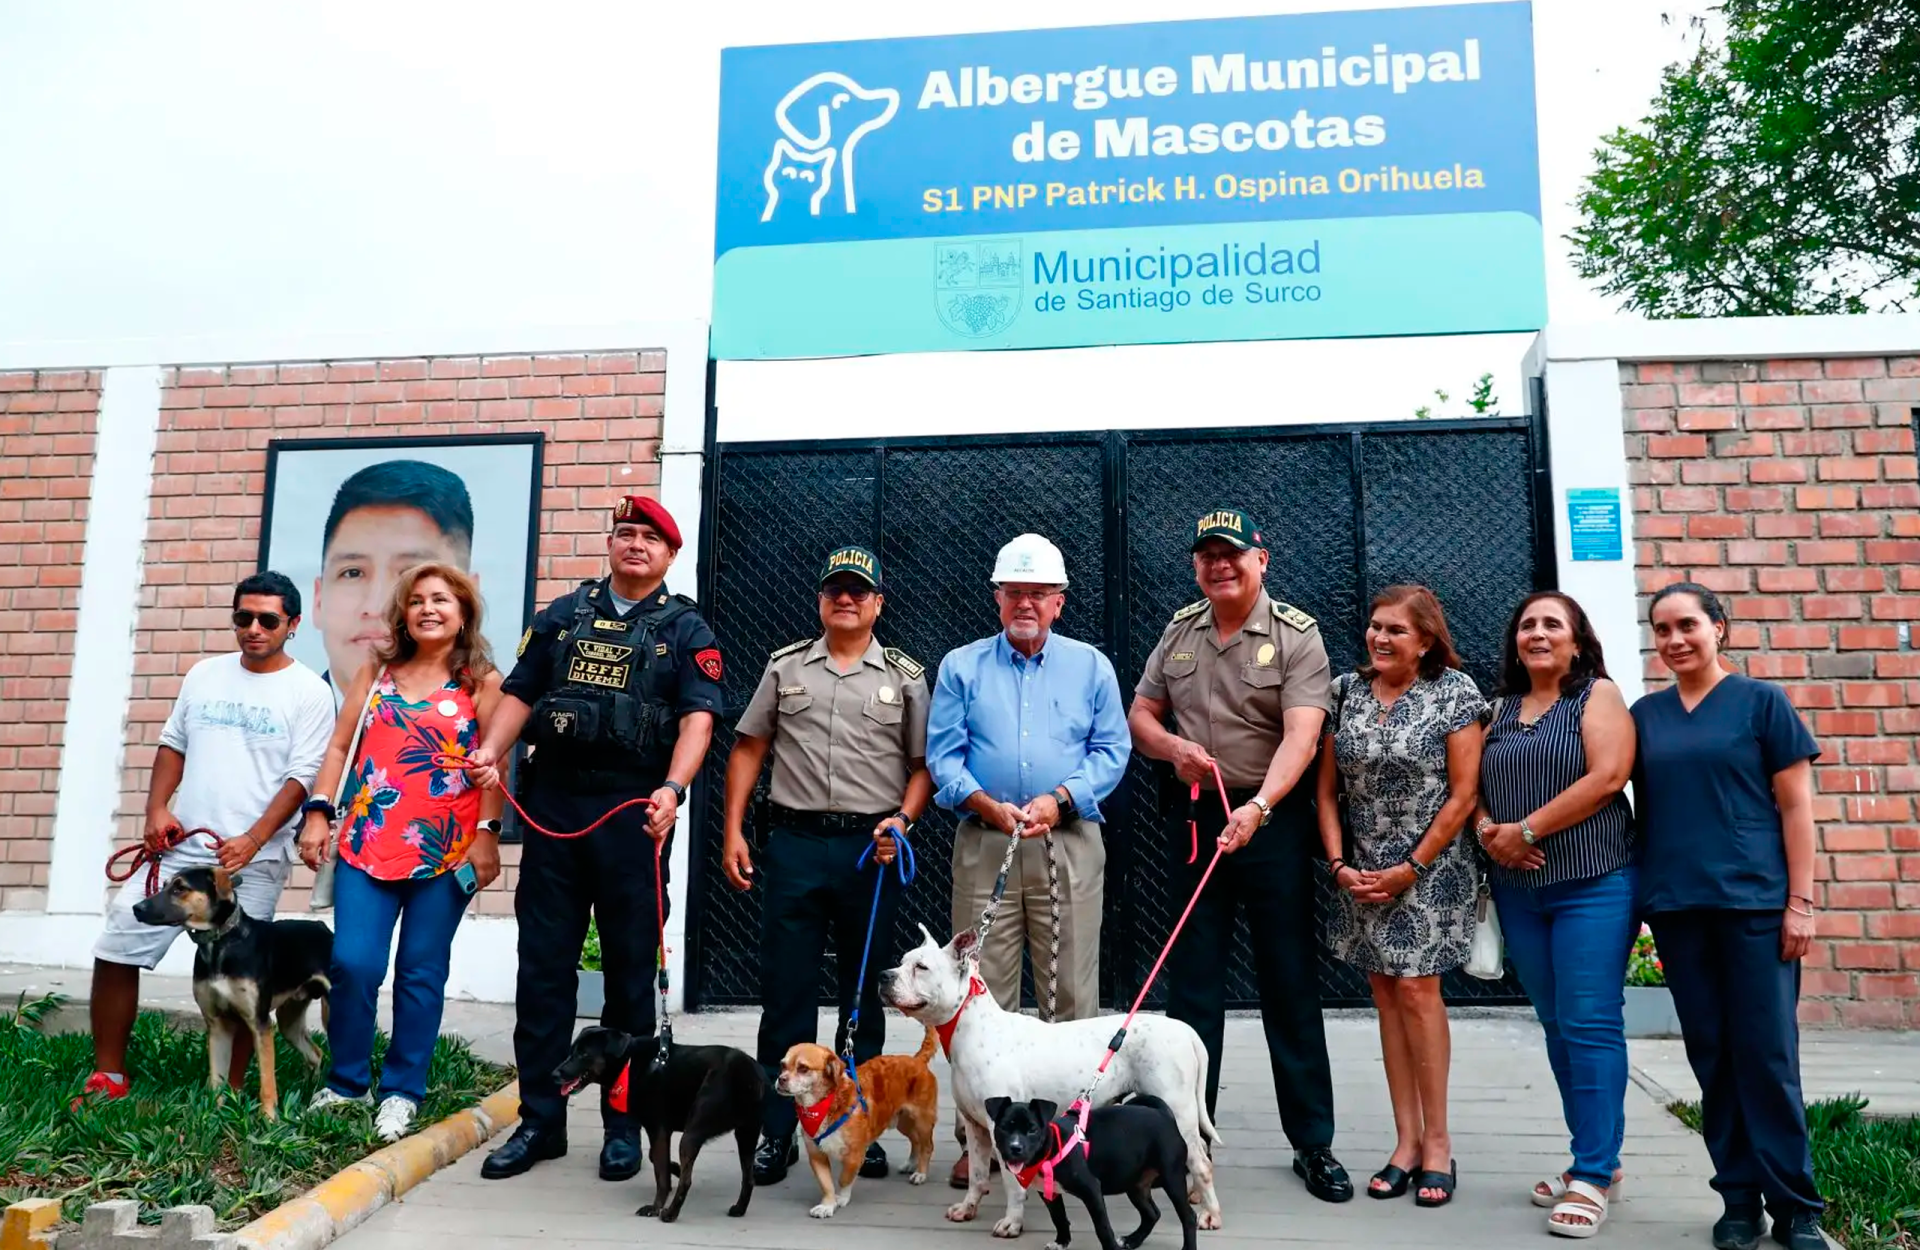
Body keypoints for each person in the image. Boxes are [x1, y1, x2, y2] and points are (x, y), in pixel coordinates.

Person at [464, 495, 724, 1182]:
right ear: (611, 544)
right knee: (543, 974)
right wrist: (492, 750)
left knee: (630, 983)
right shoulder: (562, 616)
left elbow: (699, 719)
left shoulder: (686, 629)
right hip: (554, 813)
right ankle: (540, 1123)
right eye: (625, 533)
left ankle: (622, 1127)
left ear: (670, 555)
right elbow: (519, 692)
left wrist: (672, 790)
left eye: (650, 538)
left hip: (633, 816)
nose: (634, 544)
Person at [1126, 507, 1351, 1205]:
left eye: (1231, 554)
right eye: (1206, 556)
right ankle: (1186, 1142)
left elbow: (1303, 736)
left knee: (1288, 985)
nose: (1219, 565)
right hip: (1198, 821)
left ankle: (1313, 1144)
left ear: (1261, 558)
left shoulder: (1296, 635)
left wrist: (1259, 807)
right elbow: (1142, 717)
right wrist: (1172, 750)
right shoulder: (1179, 631)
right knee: (1192, 989)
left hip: (1270, 821)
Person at [719, 545, 933, 1186]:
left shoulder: (906, 677)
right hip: (795, 845)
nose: (846, 598)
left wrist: (905, 819)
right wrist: (732, 830)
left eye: (858, 591)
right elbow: (749, 747)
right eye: (835, 589)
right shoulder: (786, 669)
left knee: (863, 998)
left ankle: (857, 1128)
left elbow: (922, 768)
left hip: (872, 851)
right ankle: (776, 1132)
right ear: (821, 600)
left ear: (877, 604)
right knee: (786, 993)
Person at [926, 532, 1130, 1189]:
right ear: (997, 597)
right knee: (980, 994)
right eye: (1015, 591)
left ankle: (1067, 1137)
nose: (1026, 603)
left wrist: (1062, 798)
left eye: (1039, 593)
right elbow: (943, 756)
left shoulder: (1091, 667)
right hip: (987, 837)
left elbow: (1112, 750)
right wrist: (984, 803)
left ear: (1059, 602)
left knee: (1072, 988)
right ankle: (981, 1142)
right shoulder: (961, 666)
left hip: (1066, 837)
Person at [81, 573, 333, 1103]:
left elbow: (302, 777)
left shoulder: (310, 690)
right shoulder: (205, 674)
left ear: (293, 624)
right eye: (243, 617)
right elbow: (173, 745)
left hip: (251, 862)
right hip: (177, 856)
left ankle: (233, 1090)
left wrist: (254, 838)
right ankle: (108, 1077)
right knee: (117, 947)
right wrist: (156, 809)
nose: (254, 629)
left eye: (268, 619)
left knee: (246, 979)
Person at [1632, 583, 1825, 1250]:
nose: (1675, 639)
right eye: (1662, 629)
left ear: (1719, 628)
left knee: (1767, 1057)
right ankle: (1738, 1200)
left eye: (1687, 624)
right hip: (1680, 909)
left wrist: (1800, 902)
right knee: (1712, 1057)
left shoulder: (1762, 704)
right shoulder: (1645, 715)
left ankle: (1797, 1207)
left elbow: (1796, 807)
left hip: (1756, 906)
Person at [297, 563, 506, 1142]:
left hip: (448, 850)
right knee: (354, 964)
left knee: (420, 972)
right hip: (369, 842)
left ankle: (401, 1092)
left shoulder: (482, 683)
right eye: (416, 601)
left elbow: (495, 761)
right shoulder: (376, 672)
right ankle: (346, 1084)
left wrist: (488, 831)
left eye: (441, 599)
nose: (428, 609)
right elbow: (340, 746)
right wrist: (318, 810)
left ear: (463, 612)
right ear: (403, 615)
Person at [1314, 585, 1485, 1208]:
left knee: (1417, 991)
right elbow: (1326, 790)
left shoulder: (1455, 695)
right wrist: (1338, 863)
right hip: (1362, 871)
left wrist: (1413, 866)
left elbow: (1464, 794)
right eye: (1375, 627)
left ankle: (1438, 1143)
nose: (1380, 639)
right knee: (1384, 993)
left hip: (1432, 869)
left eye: (1396, 631)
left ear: (1427, 641)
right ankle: (1405, 1142)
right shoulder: (1345, 691)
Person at [1474, 591, 1637, 1237]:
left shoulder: (1595, 695)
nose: (1537, 634)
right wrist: (1490, 828)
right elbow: (1474, 786)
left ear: (1576, 641)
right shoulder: (1499, 709)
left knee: (1590, 1023)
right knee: (1555, 1025)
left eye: (1551, 624)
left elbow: (1608, 776)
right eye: (1527, 625)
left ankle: (1593, 1174)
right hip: (1520, 892)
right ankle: (1597, 1160)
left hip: (1593, 883)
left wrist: (1527, 831)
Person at [311, 460, 475, 699]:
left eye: (413, 573)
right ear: (318, 600)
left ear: (466, 601)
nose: (376, 608)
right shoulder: (290, 709)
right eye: (353, 573)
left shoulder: (488, 700)